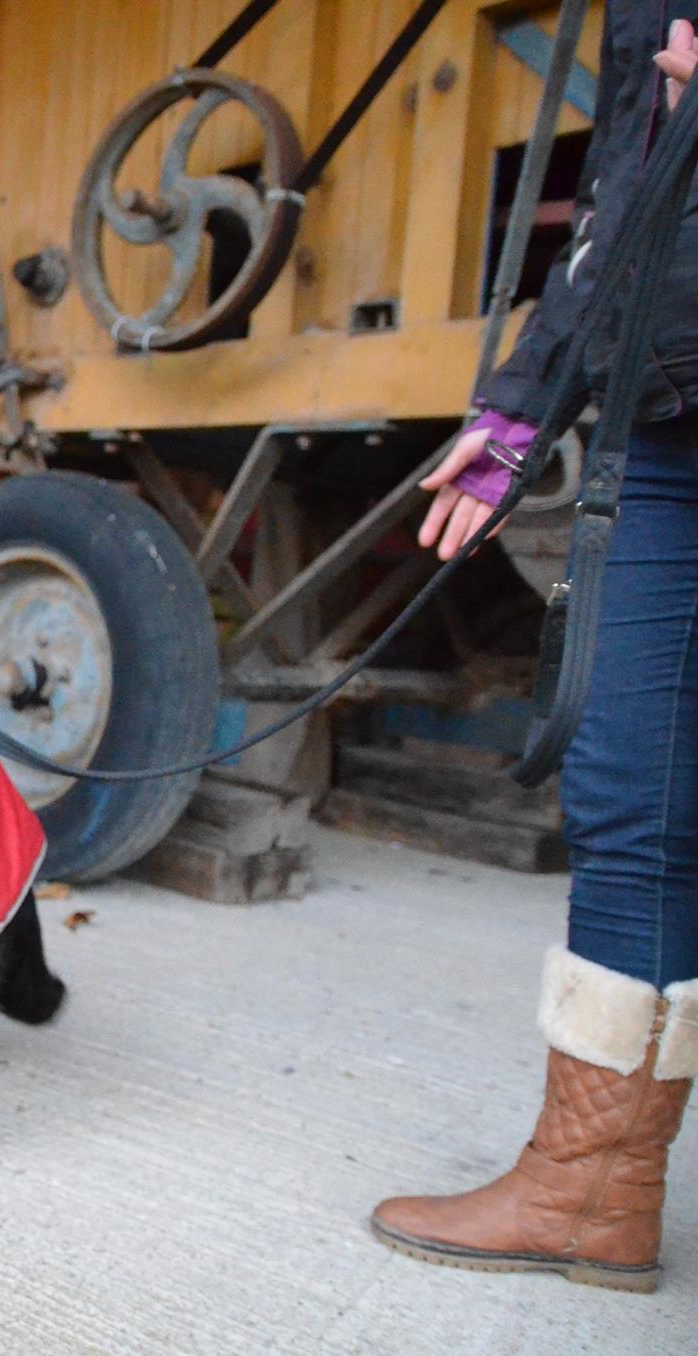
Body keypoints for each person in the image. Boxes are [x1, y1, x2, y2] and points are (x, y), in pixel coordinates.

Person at [369, 9, 698, 1293]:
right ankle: (587, 1194)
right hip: (659, 414)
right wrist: (523, 399)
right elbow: (622, 184)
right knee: (626, 802)